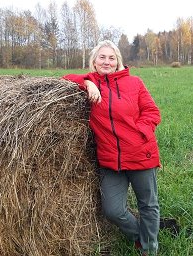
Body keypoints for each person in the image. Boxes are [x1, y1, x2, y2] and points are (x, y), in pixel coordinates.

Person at [62, 40, 161, 256]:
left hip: (140, 154)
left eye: (111, 58)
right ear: (94, 62)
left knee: (148, 205)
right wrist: (87, 82)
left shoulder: (134, 83)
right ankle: (138, 235)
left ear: (118, 62)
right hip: (111, 160)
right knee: (112, 210)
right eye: (102, 57)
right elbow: (64, 80)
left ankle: (149, 249)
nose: (107, 62)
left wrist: (139, 133)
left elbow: (152, 112)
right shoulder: (92, 83)